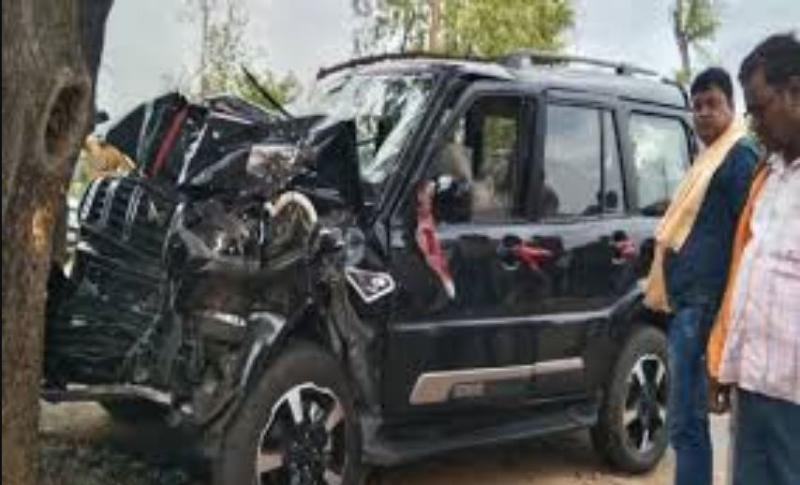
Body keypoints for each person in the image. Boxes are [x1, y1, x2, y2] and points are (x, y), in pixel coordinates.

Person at [642, 67, 759, 485]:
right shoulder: (708, 159)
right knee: (686, 422)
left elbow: (748, 237)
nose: (704, 113)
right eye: (698, 106)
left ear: (732, 106)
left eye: (713, 104)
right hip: (688, 304)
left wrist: (724, 321)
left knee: (686, 423)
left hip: (703, 307)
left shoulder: (739, 156)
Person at [706, 31, 800, 485]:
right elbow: (746, 276)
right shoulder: (769, 176)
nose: (754, 124)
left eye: (759, 109)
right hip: (754, 388)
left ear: (795, 92)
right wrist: (724, 362)